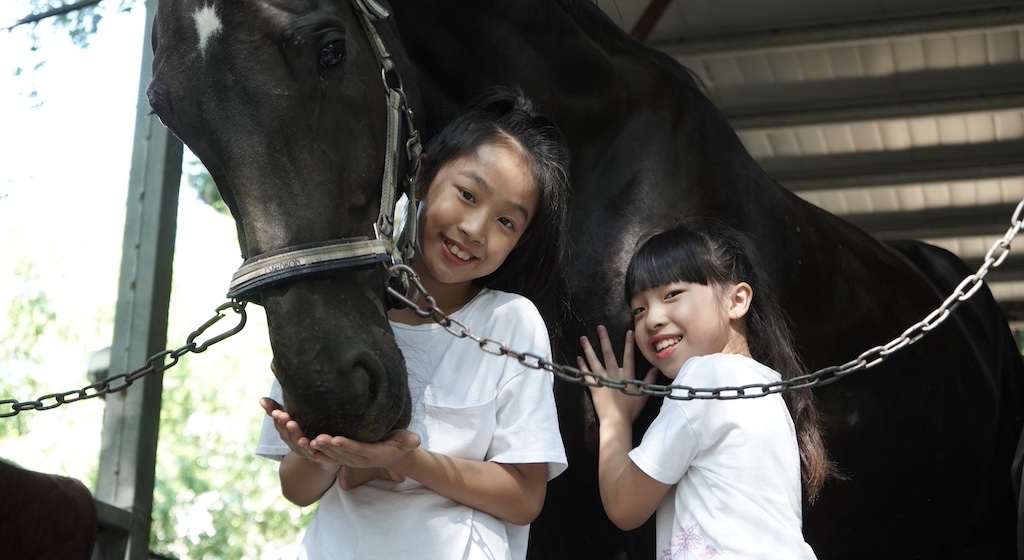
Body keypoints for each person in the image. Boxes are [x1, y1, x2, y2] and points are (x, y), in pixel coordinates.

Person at [256, 86, 570, 560]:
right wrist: (316, 454)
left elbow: (525, 497)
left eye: (506, 222)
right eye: (467, 195)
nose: (475, 228)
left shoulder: (510, 322)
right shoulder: (336, 308)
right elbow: (297, 491)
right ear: (422, 177)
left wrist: (406, 460)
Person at [577, 221, 835, 559]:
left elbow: (625, 506)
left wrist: (614, 418)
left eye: (672, 295)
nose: (652, 319)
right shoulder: (769, 388)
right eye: (638, 309)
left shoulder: (705, 376)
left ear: (736, 300)